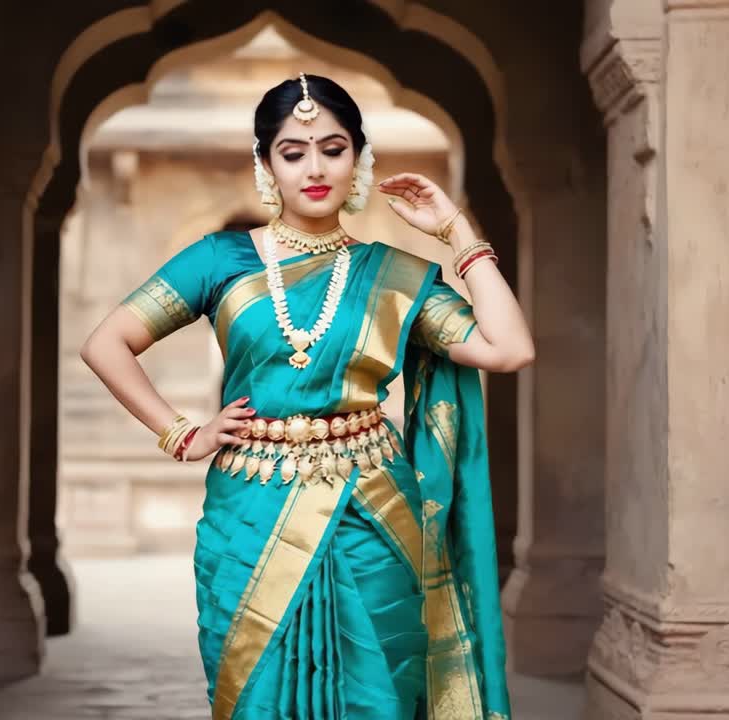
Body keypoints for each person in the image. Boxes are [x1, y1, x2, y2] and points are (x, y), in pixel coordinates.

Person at [79, 72, 533, 720]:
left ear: (359, 159)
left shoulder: (395, 275)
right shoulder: (220, 260)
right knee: (253, 695)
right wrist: (183, 433)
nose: (315, 168)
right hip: (249, 511)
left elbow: (508, 348)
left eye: (334, 149)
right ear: (266, 165)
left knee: (377, 694)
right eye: (292, 153)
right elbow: (106, 343)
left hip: (371, 512)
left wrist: (458, 233)